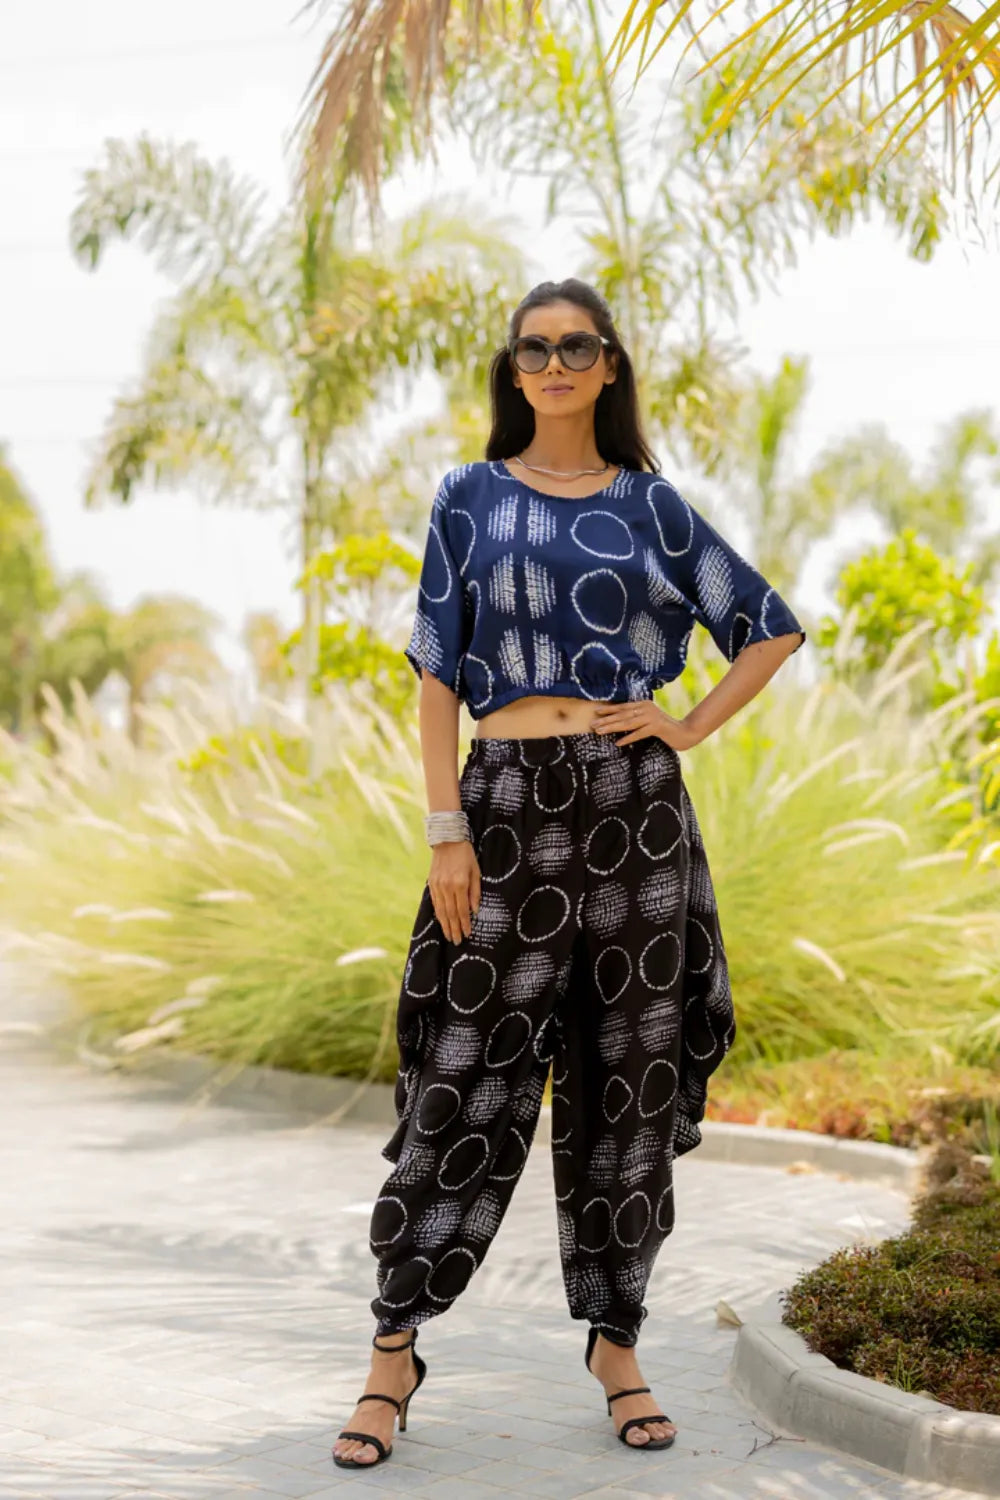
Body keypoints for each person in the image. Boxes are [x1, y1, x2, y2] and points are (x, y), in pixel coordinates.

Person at [332, 277, 806, 1471]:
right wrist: (445, 829)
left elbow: (768, 626)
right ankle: (392, 1353)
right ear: (514, 369)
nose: (553, 364)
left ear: (608, 365)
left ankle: (616, 1344)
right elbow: (437, 671)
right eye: (534, 349)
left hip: (634, 812)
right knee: (459, 1073)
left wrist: (684, 726)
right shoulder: (469, 497)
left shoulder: (651, 505)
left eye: (575, 346)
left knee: (626, 1081)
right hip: (502, 808)